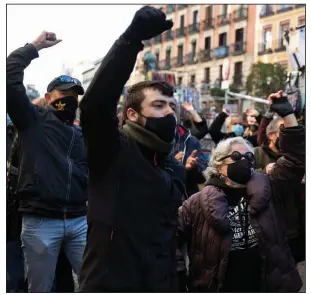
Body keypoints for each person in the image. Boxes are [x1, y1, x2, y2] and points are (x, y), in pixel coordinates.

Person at [78, 6, 189, 292]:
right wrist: (129, 42)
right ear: (131, 114)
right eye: (158, 105)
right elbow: (94, 105)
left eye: (171, 106)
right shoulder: (113, 151)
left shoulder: (172, 166)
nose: (168, 113)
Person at [177, 92, 304, 292]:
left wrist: (289, 116)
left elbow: (295, 160)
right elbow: (171, 242)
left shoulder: (269, 187)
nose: (244, 160)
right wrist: (178, 279)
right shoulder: (195, 204)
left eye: (248, 156)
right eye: (236, 156)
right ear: (218, 164)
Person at [7, 31, 88, 292]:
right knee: (40, 287)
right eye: (63, 93)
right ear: (48, 96)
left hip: (79, 220)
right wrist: (34, 47)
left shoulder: (80, 133)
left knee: (95, 282)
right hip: (41, 221)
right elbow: (8, 79)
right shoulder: (32, 120)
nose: (69, 98)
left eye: (74, 95)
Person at [173, 102, 207, 196]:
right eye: (159, 106)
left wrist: (193, 168)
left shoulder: (189, 140)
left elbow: (203, 174)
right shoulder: (144, 140)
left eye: (173, 108)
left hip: (186, 198)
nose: (169, 112)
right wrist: (173, 164)